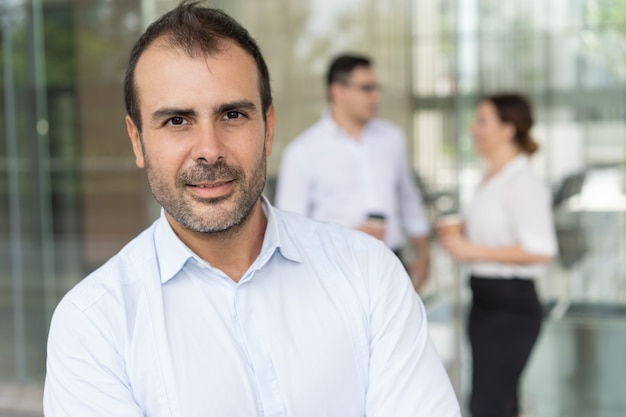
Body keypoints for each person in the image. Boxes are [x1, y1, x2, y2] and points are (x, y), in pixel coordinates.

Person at [43, 2, 460, 416]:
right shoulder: (93, 325)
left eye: (233, 114)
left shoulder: (370, 275)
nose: (209, 150)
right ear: (137, 140)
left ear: (269, 127)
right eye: (176, 121)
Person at [438, 93, 557, 417]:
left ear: (508, 129)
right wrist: (460, 232)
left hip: (511, 310)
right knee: (501, 403)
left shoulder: (523, 183)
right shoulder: (490, 178)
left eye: (482, 121)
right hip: (485, 302)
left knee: (487, 406)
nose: (473, 128)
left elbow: (541, 250)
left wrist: (471, 249)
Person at [275, 54, 431, 291]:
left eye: (377, 88)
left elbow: (408, 197)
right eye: (367, 88)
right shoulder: (303, 151)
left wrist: (424, 252)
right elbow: (289, 227)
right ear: (338, 92)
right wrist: (346, 237)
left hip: (392, 261)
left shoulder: (392, 138)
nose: (376, 96)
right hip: (335, 267)